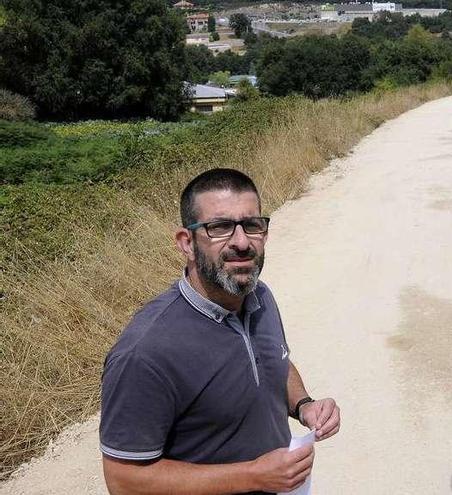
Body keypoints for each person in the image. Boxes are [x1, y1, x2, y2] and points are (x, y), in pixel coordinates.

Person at [100, 168, 340, 494]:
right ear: (186, 242)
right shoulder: (146, 351)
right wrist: (254, 476)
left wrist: (303, 405)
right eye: (220, 227)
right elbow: (123, 481)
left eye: (252, 225)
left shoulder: (259, 297)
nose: (241, 242)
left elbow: (274, 362)